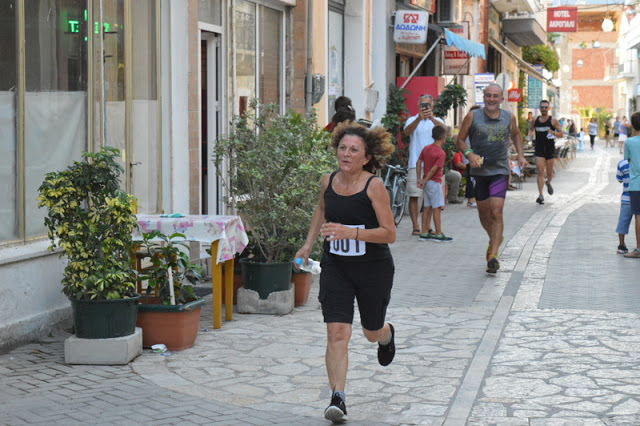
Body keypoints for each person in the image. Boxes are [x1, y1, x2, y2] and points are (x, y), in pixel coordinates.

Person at [294, 122, 397, 422]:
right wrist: (307, 245)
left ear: (366, 157)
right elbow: (321, 211)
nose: (346, 154)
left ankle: (386, 334)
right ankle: (337, 397)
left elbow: (389, 233)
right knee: (337, 331)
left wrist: (350, 232)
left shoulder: (373, 186)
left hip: (373, 269)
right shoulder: (329, 181)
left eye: (354, 150)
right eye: (342, 148)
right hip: (336, 266)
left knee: (369, 332)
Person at [455, 83, 526, 274]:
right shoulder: (473, 116)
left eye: (495, 96)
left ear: (501, 99)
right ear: (483, 97)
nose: (491, 99)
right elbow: (460, 140)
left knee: (496, 212)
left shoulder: (508, 117)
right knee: (484, 215)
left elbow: (517, 135)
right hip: (478, 172)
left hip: (499, 170)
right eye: (488, 96)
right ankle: (495, 238)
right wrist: (469, 154)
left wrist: (520, 155)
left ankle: (493, 255)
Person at [403, 94, 444, 236]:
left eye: (427, 105)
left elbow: (446, 132)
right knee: (414, 195)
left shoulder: (437, 120)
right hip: (416, 163)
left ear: (432, 106)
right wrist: (419, 118)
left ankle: (427, 226)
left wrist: (431, 118)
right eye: (422, 105)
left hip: (433, 165)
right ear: (418, 106)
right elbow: (406, 132)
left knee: (432, 197)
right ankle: (415, 226)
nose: (425, 108)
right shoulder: (412, 120)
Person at [416, 125, 453, 242]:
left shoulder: (426, 148)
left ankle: (424, 232)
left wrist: (419, 179)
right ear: (443, 137)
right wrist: (425, 180)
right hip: (434, 182)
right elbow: (435, 169)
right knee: (437, 207)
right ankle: (438, 233)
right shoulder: (441, 153)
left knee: (426, 207)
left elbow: (418, 163)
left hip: (426, 182)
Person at [530, 100, 563, 205]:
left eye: (545, 107)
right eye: (542, 107)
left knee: (549, 173)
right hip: (539, 149)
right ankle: (540, 195)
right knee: (540, 171)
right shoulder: (535, 120)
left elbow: (561, 134)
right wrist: (530, 136)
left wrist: (553, 132)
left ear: (548, 108)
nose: (544, 109)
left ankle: (548, 182)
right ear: (539, 109)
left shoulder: (553, 121)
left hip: (549, 149)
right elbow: (531, 130)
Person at [623, 112, 640, 258]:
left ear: (633, 125)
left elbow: (627, 162)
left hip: (636, 184)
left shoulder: (629, 142)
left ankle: (639, 249)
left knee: (639, 216)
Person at [615, 158, 631, 254]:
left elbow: (619, 179)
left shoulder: (622, 164)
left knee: (623, 221)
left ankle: (621, 245)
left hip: (626, 197)